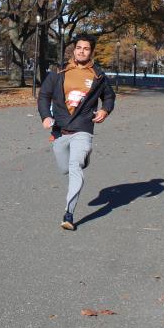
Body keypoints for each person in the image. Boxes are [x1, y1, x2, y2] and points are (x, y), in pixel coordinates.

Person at [37, 35, 116, 231]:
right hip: (60, 128)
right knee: (65, 168)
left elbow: (109, 96)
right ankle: (83, 158)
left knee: (75, 167)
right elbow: (44, 95)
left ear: (91, 52)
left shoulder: (98, 75)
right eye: (79, 47)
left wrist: (105, 110)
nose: (82, 51)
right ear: (74, 50)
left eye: (86, 48)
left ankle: (69, 214)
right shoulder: (59, 71)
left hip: (83, 127)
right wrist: (45, 116)